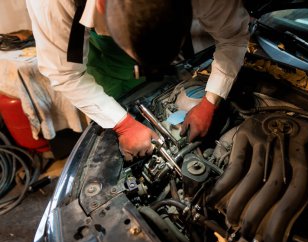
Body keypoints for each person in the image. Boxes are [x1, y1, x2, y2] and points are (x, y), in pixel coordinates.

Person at [26, 0, 250, 160]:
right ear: (102, 5)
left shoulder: (212, 3)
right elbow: (65, 73)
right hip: (104, 62)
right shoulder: (52, 4)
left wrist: (211, 100)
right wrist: (123, 124)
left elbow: (233, 38)